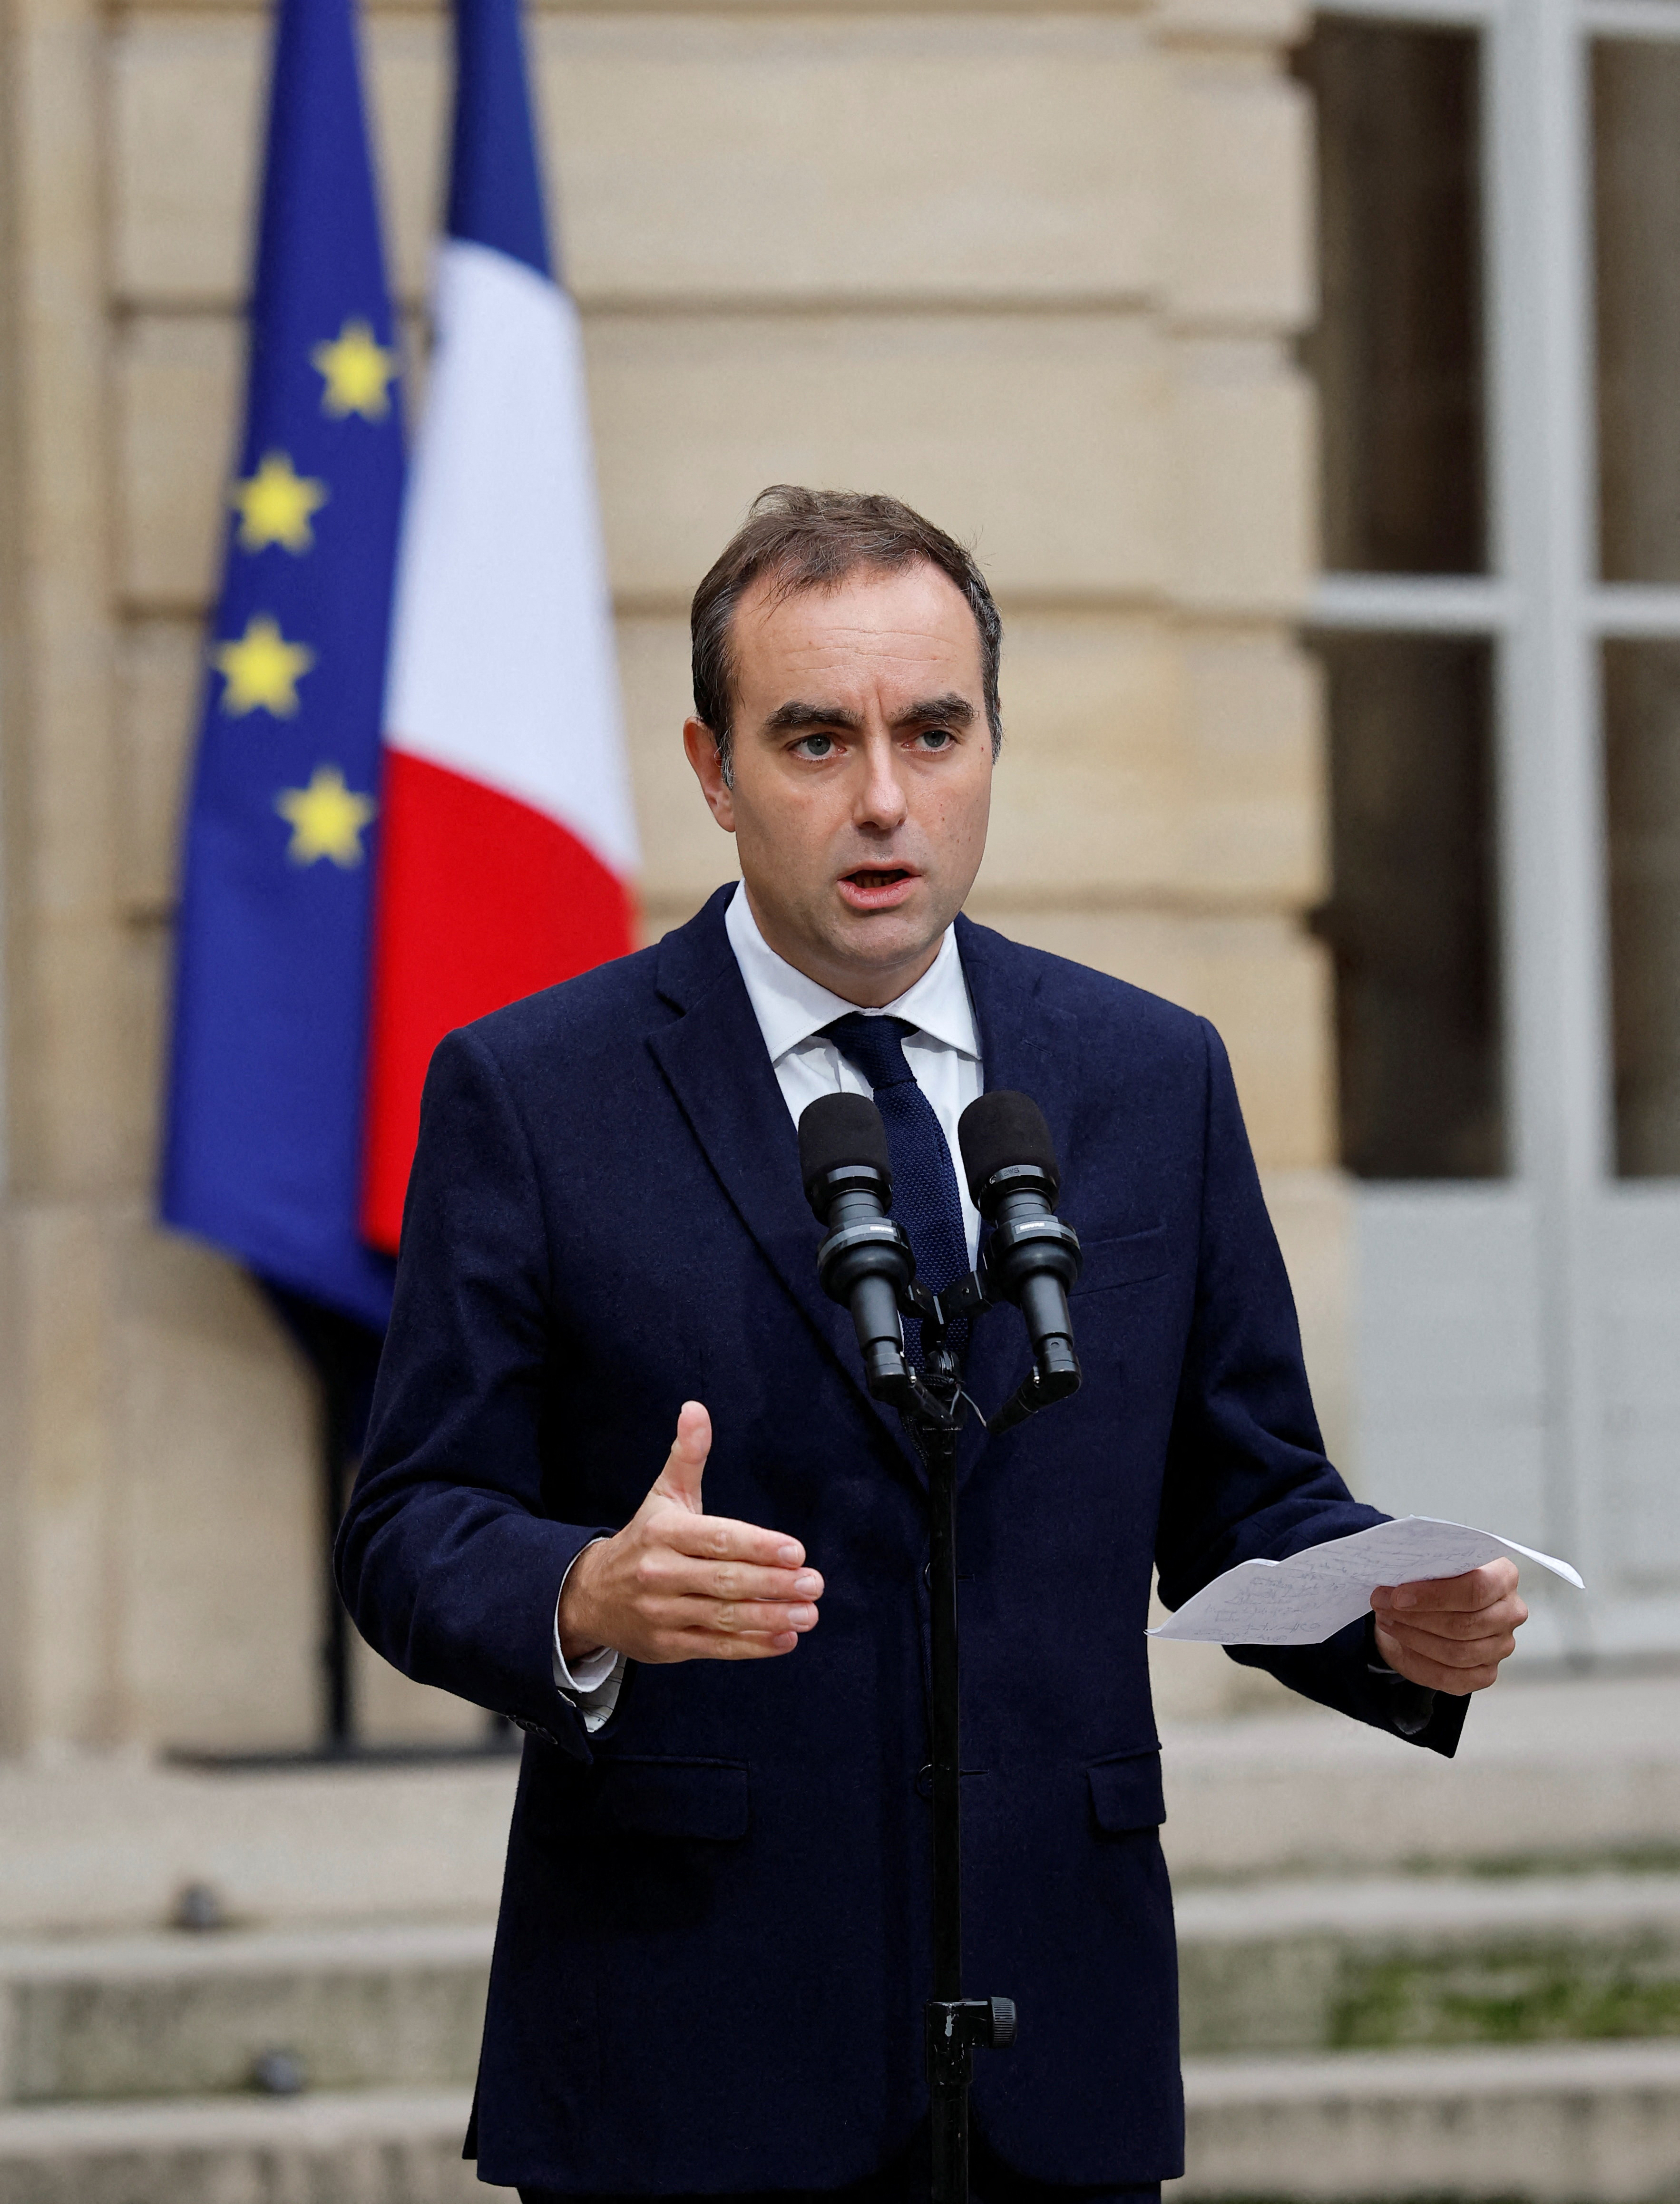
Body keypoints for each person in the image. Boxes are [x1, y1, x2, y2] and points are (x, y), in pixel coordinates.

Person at [337, 486, 1527, 2204]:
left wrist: (1386, 1611)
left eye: (932, 731)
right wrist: (585, 1591)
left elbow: (1244, 1493)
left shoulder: (1146, 1074)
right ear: (711, 765)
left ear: (990, 743)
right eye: (814, 738)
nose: (883, 798)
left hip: (1059, 2037)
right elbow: (409, 1522)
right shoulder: (536, 1091)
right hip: (690, 2046)